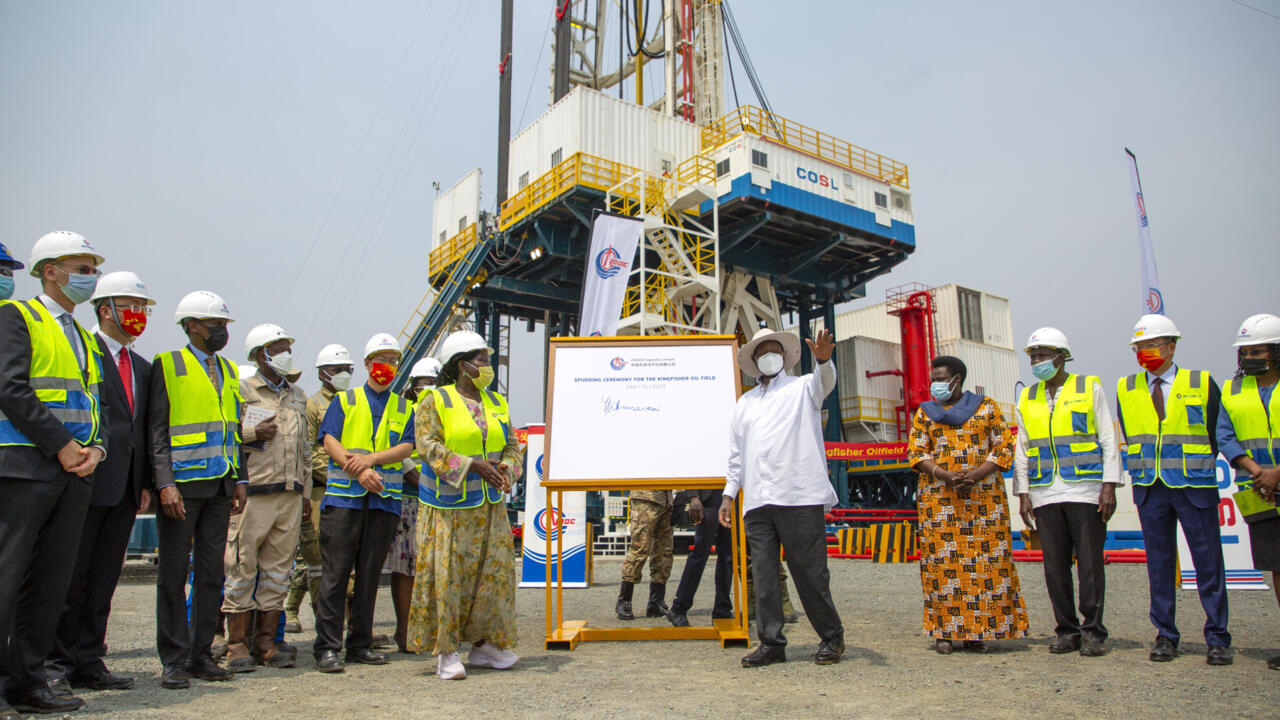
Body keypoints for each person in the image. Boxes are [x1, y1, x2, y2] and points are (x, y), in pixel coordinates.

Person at [0, 231, 108, 716]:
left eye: (92, 270)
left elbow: (94, 403)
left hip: (75, 473)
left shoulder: (85, 336)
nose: (91, 278)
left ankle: (27, 682)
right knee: (7, 578)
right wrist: (62, 446)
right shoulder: (17, 316)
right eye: (82, 269)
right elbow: (11, 388)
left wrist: (96, 449)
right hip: (24, 467)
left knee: (50, 584)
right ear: (51, 271)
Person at [47, 271, 155, 694]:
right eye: (131, 306)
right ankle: (55, 662)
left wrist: (144, 480)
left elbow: (141, 428)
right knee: (68, 577)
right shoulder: (82, 350)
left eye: (143, 307)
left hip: (125, 488)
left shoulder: (142, 367)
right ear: (104, 308)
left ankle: (89, 659)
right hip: (84, 478)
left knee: (104, 578)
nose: (138, 315)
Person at [718, 327, 845, 668]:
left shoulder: (803, 387)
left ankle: (832, 637)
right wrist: (729, 495)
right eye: (762, 352)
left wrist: (823, 360)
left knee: (809, 572)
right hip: (757, 500)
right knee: (764, 574)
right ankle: (772, 643)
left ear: (785, 357)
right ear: (755, 361)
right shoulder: (744, 404)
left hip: (798, 495)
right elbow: (736, 454)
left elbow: (825, 382)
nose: (768, 355)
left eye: (774, 349)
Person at [407, 330, 523, 680]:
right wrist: (472, 464)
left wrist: (508, 469)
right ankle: (447, 650)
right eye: (482, 359)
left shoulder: (496, 402)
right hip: (450, 507)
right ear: (461, 365)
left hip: (489, 505)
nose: (488, 365)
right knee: (449, 577)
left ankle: (484, 645)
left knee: (493, 576)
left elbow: (513, 445)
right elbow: (427, 446)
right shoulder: (435, 400)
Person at [1116, 314, 1231, 665]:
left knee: (1208, 564)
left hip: (1194, 487)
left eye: (1151, 345)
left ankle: (1217, 638)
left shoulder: (1201, 382)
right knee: (1160, 566)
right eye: (1139, 347)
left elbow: (1215, 433)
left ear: (1171, 346)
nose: (1144, 352)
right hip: (1151, 489)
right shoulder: (1126, 387)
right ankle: (1166, 635)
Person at [150, 290, 246, 689]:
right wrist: (164, 482)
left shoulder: (228, 369)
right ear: (191, 326)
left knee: (212, 574)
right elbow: (156, 430)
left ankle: (200, 653)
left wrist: (240, 478)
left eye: (224, 326)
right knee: (173, 573)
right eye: (215, 325)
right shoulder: (167, 365)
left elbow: (233, 429)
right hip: (182, 487)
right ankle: (173, 658)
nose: (222, 332)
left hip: (221, 485)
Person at [1012, 328, 1121, 657]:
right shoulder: (1027, 396)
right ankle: (1067, 630)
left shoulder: (1089, 387)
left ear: (1062, 356)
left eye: (1042, 354)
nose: (1036, 361)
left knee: (1089, 566)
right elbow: (1022, 448)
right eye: (1032, 355)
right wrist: (1023, 493)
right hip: (1045, 493)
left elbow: (1107, 438)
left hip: (1085, 490)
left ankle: (1093, 632)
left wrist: (1109, 486)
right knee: (1054, 569)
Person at [909, 355, 1027, 655]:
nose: (935, 384)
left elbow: (1003, 446)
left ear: (957, 379)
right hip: (940, 504)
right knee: (942, 566)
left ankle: (978, 632)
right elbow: (916, 453)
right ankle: (944, 632)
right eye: (932, 378)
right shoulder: (925, 413)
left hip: (983, 502)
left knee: (986, 565)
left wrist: (975, 475)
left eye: (940, 378)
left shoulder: (986, 408)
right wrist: (945, 475)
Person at [313, 334, 415, 673]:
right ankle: (327, 647)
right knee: (336, 574)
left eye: (393, 360)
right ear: (368, 364)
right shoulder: (346, 401)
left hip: (383, 502)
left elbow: (406, 448)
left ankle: (359, 644)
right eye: (380, 359)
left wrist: (369, 460)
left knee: (370, 575)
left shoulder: (404, 406)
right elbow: (329, 440)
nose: (387, 366)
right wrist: (355, 468)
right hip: (344, 500)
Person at [222, 324, 310, 672]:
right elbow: (225, 433)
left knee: (277, 572)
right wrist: (250, 432)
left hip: (289, 495)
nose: (286, 352)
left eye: (288, 345)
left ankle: (265, 643)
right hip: (253, 493)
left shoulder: (296, 394)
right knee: (242, 568)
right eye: (279, 347)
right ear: (262, 353)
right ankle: (236, 646)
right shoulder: (241, 390)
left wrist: (303, 491)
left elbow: (303, 448)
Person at [1216, 313, 1280, 669]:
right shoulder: (1234, 390)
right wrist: (1258, 472)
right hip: (1258, 489)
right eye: (1246, 352)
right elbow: (1225, 436)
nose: (1251, 357)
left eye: (1259, 351)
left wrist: (1276, 473)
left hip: (1272, 482)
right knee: (1277, 568)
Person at [284, 343, 353, 634]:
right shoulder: (312, 405)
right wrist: (338, 470)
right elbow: (308, 448)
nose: (345, 375)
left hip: (348, 489)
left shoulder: (354, 402)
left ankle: (347, 622)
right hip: (320, 489)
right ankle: (315, 616)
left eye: (348, 370)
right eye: (339, 370)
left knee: (347, 558)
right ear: (324, 373)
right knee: (314, 558)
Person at [387, 356, 441, 653]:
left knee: (432, 567)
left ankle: (430, 628)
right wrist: (420, 479)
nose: (429, 388)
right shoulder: (404, 412)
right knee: (407, 567)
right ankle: (404, 629)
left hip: (438, 498)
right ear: (413, 385)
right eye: (425, 383)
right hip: (411, 498)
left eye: (434, 383)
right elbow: (402, 452)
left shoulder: (443, 410)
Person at [666, 486, 733, 628]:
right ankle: (679, 608)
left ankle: (723, 609)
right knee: (700, 552)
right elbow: (695, 464)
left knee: (728, 555)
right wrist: (694, 496)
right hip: (709, 496)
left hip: (731, 495)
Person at [616, 488, 673, 621]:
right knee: (639, 548)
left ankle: (656, 602)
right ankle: (625, 600)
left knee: (664, 551)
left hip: (666, 500)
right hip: (645, 497)